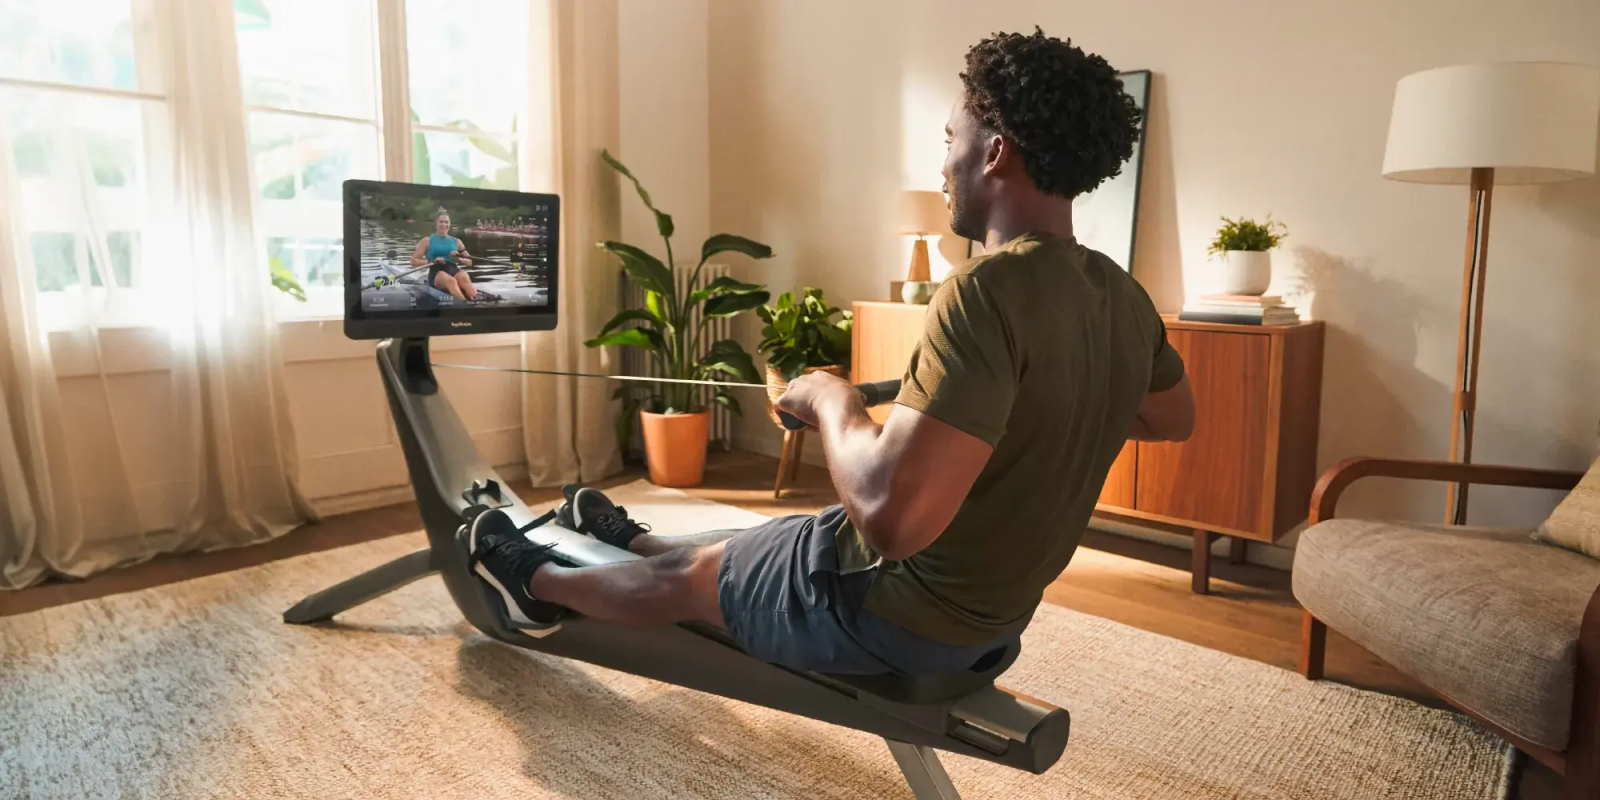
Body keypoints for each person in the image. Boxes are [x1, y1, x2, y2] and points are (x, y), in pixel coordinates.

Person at [468, 28, 1196, 677]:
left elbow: (886, 516)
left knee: (690, 583)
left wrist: (829, 398)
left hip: (893, 618)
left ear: (996, 151)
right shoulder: (1123, 297)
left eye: (951, 139)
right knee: (789, 534)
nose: (945, 165)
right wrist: (1035, 414)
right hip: (991, 620)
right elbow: (1173, 417)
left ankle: (531, 582)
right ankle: (638, 538)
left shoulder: (984, 290)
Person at [411, 208, 478, 300]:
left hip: (453, 269)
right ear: (436, 224)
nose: (444, 224)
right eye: (441, 222)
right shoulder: (427, 241)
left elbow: (469, 262)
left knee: (464, 277)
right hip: (436, 272)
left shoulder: (457, 242)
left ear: (449, 224)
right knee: (451, 281)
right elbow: (413, 261)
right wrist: (431, 261)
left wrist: (459, 258)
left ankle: (476, 300)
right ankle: (464, 304)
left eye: (446, 222)